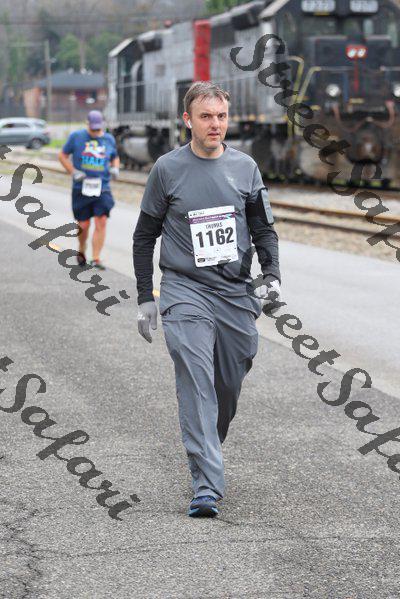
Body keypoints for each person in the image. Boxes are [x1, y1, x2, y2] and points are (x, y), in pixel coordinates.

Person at [133, 82, 281, 518]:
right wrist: (145, 296)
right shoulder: (167, 169)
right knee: (196, 378)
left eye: (221, 116)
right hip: (185, 290)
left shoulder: (245, 168)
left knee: (227, 385)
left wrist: (272, 274)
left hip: (235, 292)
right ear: (187, 120)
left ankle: (208, 446)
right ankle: (206, 486)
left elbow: (263, 228)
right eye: (205, 116)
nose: (215, 124)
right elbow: (144, 236)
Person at [59, 110, 120, 269]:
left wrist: (115, 168)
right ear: (87, 124)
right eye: (93, 129)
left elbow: (114, 157)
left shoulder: (109, 139)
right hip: (81, 188)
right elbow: (62, 155)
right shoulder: (76, 137)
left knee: (101, 221)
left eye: (98, 129)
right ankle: (81, 248)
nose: (95, 132)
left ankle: (96, 258)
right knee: (83, 225)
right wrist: (73, 172)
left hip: (102, 187)